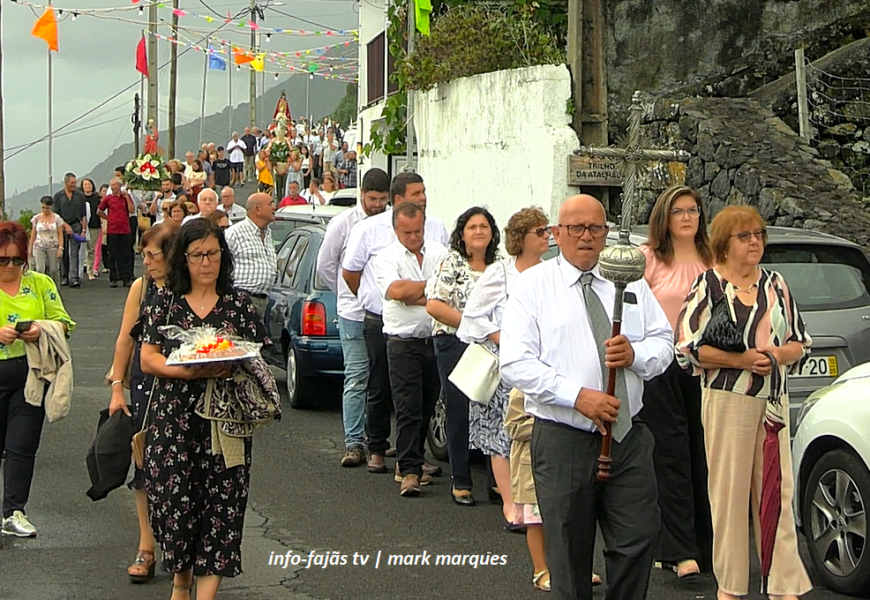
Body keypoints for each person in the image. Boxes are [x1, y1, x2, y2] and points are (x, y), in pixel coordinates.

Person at [500, 194, 673, 600]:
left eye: (595, 228)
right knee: (569, 555)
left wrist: (636, 354)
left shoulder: (630, 281)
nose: (586, 237)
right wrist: (578, 397)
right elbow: (516, 363)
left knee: (637, 540)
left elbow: (665, 342)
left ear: (606, 233)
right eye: (575, 228)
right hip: (564, 438)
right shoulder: (534, 286)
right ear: (556, 234)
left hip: (628, 438)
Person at [675, 205, 813, 600]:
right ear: (725, 243)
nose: (755, 242)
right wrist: (740, 360)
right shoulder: (709, 286)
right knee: (729, 497)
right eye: (745, 236)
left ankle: (784, 584)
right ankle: (731, 587)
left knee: (776, 492)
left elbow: (800, 342)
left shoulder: (777, 284)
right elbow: (687, 348)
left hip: (773, 402)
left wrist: (774, 357)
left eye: (758, 235)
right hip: (726, 401)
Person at [139, 218, 273, 600]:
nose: (205, 262)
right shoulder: (163, 301)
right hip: (173, 420)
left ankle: (206, 594)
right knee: (174, 507)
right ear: (183, 259)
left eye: (212, 253)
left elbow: (255, 356)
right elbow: (148, 358)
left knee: (222, 506)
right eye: (197, 255)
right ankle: (180, 583)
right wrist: (187, 370)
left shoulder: (238, 304)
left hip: (226, 422)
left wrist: (231, 359)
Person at [341, 172, 448, 475]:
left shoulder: (437, 226)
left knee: (421, 396)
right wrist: (381, 299)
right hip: (380, 320)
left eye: (424, 192)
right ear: (398, 199)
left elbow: (447, 279)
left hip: (428, 328)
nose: (423, 198)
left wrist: (415, 294)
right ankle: (376, 447)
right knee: (380, 386)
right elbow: (351, 272)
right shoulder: (370, 229)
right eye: (417, 193)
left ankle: (413, 455)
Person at [637, 186, 714, 581]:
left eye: (693, 210)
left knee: (706, 456)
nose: (687, 217)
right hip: (663, 366)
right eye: (678, 211)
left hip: (709, 367)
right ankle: (680, 550)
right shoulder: (649, 259)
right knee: (670, 456)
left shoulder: (713, 259)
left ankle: (709, 547)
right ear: (664, 218)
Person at [456, 206, 549, 521]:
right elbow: (472, 318)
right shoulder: (501, 273)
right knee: (501, 435)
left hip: (540, 367)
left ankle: (531, 501)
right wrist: (503, 338)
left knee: (533, 435)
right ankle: (511, 505)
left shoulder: (551, 273)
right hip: (504, 368)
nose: (547, 236)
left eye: (547, 230)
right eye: (540, 232)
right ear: (521, 238)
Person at [107, 221, 179, 583]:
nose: (146, 262)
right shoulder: (142, 287)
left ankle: (178, 545)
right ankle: (146, 546)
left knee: (181, 467)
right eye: (143, 255)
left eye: (152, 255)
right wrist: (117, 386)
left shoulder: (188, 287)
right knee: (144, 464)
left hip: (181, 385)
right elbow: (125, 338)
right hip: (144, 382)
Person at [0, 221, 76, 537]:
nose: (11, 267)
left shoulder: (41, 283)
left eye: (18, 260)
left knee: (22, 446)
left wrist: (39, 329)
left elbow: (64, 322)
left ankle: (14, 511)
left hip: (31, 374)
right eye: (3, 260)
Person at [316, 168, 391, 467]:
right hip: (353, 313)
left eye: (382, 199)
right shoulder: (343, 223)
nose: (377, 204)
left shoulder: (390, 222)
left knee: (383, 379)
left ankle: (378, 440)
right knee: (357, 376)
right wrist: (350, 293)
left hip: (384, 312)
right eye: (372, 199)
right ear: (362, 194)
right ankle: (353, 442)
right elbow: (325, 265)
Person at [426, 206, 499, 507]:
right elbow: (435, 305)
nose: (479, 231)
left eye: (484, 226)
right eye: (472, 227)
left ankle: (498, 483)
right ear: (462, 234)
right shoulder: (453, 261)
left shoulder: (499, 266)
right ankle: (461, 480)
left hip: (492, 345)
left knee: (494, 410)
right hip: (454, 342)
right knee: (459, 408)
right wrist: (473, 327)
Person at [375, 202, 447, 496]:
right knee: (408, 408)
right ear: (395, 229)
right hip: (402, 342)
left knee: (428, 406)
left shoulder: (440, 253)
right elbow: (397, 292)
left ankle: (412, 459)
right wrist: (430, 290)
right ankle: (409, 472)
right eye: (407, 232)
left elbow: (447, 291)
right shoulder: (386, 258)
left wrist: (418, 293)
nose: (413, 237)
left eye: (417, 231)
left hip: (434, 339)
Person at [224, 193, 278, 320]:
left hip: (264, 301)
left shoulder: (267, 233)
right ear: (257, 209)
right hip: (241, 300)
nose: (274, 208)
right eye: (270, 204)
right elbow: (222, 266)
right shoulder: (234, 233)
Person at [97, 178, 136, 288]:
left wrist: (127, 197)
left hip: (125, 229)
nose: (112, 187)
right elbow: (99, 211)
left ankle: (126, 277)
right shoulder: (108, 199)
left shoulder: (126, 198)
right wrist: (108, 218)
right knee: (112, 254)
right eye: (111, 185)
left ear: (119, 186)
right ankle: (113, 278)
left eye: (114, 185)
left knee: (125, 254)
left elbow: (132, 210)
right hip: (113, 230)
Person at [53, 172, 88, 288]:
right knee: (64, 252)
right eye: (72, 183)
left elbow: (83, 214)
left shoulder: (80, 195)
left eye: (75, 182)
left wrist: (83, 229)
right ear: (66, 182)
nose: (74, 185)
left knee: (74, 252)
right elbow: (56, 214)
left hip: (76, 225)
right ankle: (65, 276)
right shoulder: (58, 196)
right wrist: (65, 226)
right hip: (62, 226)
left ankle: (74, 278)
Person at [29, 196, 67, 286]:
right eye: (43, 208)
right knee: (39, 269)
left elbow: (60, 234)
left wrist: (60, 248)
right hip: (39, 246)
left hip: (53, 246)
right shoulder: (36, 218)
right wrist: (30, 248)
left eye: (47, 208)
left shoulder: (57, 219)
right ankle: (40, 288)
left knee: (53, 270)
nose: (45, 210)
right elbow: (33, 234)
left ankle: (55, 288)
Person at [82, 178, 102, 280]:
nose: (87, 186)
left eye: (89, 184)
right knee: (81, 249)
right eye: (85, 185)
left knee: (91, 249)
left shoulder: (97, 198)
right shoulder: (80, 198)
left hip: (94, 225)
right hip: (82, 226)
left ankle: (91, 271)